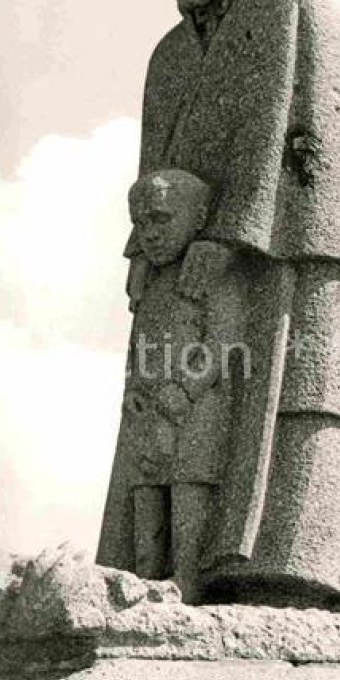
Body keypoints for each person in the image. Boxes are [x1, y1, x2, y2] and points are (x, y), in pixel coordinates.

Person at [99, 0, 340, 618]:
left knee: (304, 399)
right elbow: (154, 172)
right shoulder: (169, 57)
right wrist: (146, 255)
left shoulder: (290, 3)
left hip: (307, 240)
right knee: (179, 410)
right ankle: (176, 568)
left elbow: (301, 139)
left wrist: (234, 234)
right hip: (197, 263)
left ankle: (292, 575)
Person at [97, 168, 247, 600]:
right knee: (146, 495)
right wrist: (135, 396)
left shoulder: (213, 275)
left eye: (161, 219)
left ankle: (187, 580)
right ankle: (145, 582)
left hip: (196, 408)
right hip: (148, 410)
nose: (150, 234)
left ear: (198, 216)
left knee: (188, 489)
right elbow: (138, 347)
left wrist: (179, 395)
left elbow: (221, 342)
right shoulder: (150, 281)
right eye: (141, 223)